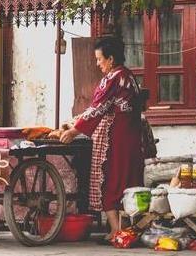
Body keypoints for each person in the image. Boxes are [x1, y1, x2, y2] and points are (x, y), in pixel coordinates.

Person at [60, 36, 144, 244]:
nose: (98, 64)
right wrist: (76, 122)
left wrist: (74, 130)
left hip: (115, 138)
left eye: (99, 60)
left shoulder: (113, 78)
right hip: (132, 138)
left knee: (109, 181)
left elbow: (98, 108)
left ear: (111, 59)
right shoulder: (129, 76)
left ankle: (116, 231)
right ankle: (127, 230)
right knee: (129, 181)